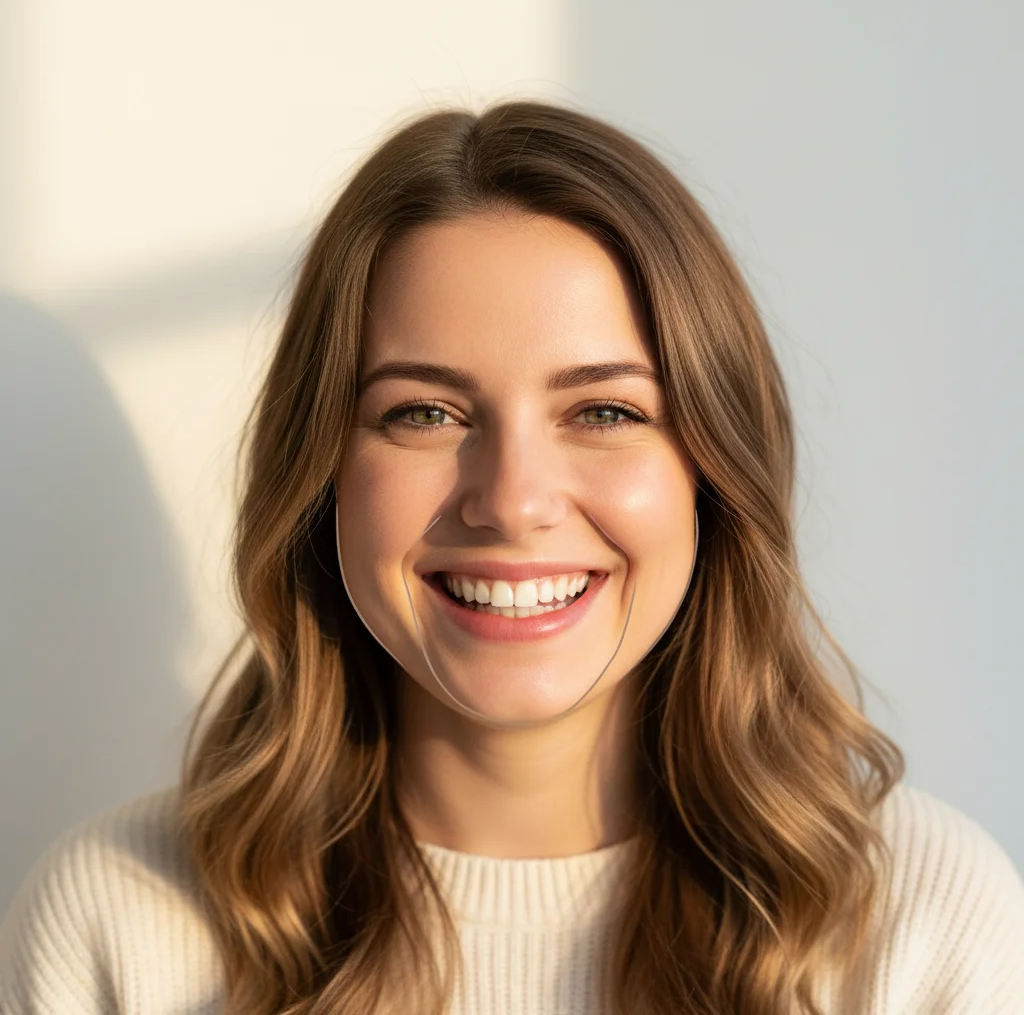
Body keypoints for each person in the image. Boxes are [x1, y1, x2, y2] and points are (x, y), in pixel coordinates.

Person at [2, 100, 1023, 1015]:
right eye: (425, 411)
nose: (512, 500)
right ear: (320, 473)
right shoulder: (117, 921)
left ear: (712, 472)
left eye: (605, 410)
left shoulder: (920, 926)